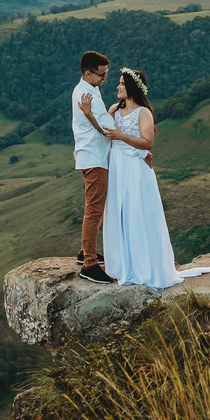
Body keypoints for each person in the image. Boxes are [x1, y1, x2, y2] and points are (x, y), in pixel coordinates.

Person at [80, 67, 210, 290]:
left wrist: (123, 137)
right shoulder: (114, 109)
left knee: (137, 212)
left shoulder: (143, 112)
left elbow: (148, 142)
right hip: (117, 166)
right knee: (118, 213)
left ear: (132, 87)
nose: (117, 87)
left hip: (136, 169)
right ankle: (121, 265)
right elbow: (105, 133)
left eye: (122, 84)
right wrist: (88, 114)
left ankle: (143, 266)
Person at [71, 51, 116, 284]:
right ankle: (89, 264)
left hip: (89, 155)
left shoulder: (86, 89)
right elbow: (107, 129)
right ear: (88, 73)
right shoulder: (89, 95)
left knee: (93, 207)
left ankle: (85, 252)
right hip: (95, 157)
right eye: (101, 74)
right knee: (94, 210)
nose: (105, 78)